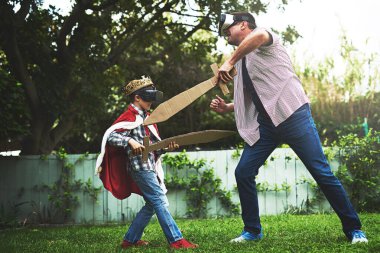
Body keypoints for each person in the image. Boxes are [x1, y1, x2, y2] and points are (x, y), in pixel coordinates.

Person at [210, 12, 368, 244]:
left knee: (321, 173)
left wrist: (230, 60)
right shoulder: (244, 60)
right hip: (266, 125)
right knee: (243, 171)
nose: (226, 36)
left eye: (228, 30)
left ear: (243, 24)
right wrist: (228, 107)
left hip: (293, 116)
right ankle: (252, 231)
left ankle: (355, 229)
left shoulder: (264, 38)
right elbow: (259, 94)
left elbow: (260, 34)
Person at [95, 77, 198, 249]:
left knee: (152, 203)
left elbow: (153, 148)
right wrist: (129, 141)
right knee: (159, 199)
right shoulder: (128, 117)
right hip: (139, 167)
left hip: (149, 166)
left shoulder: (149, 118)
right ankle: (176, 240)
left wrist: (166, 147)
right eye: (147, 97)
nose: (151, 102)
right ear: (137, 97)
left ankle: (130, 240)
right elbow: (110, 136)